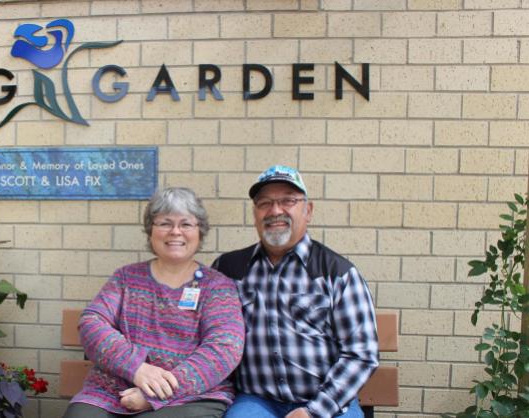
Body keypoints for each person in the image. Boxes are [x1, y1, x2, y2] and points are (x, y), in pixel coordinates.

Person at [63, 187, 245, 418]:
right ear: (151, 231)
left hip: (191, 397)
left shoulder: (217, 287)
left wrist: (156, 393)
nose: (175, 232)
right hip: (113, 392)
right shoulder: (126, 278)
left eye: (186, 224)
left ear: (200, 232)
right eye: (165, 223)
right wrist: (136, 368)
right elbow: (92, 323)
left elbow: (224, 348)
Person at [213, 165, 379, 418]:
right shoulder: (229, 269)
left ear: (308, 210)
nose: (275, 210)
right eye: (264, 203)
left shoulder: (337, 273)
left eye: (288, 200)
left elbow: (361, 353)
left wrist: (315, 411)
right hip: (256, 400)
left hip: (328, 402)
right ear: (255, 213)